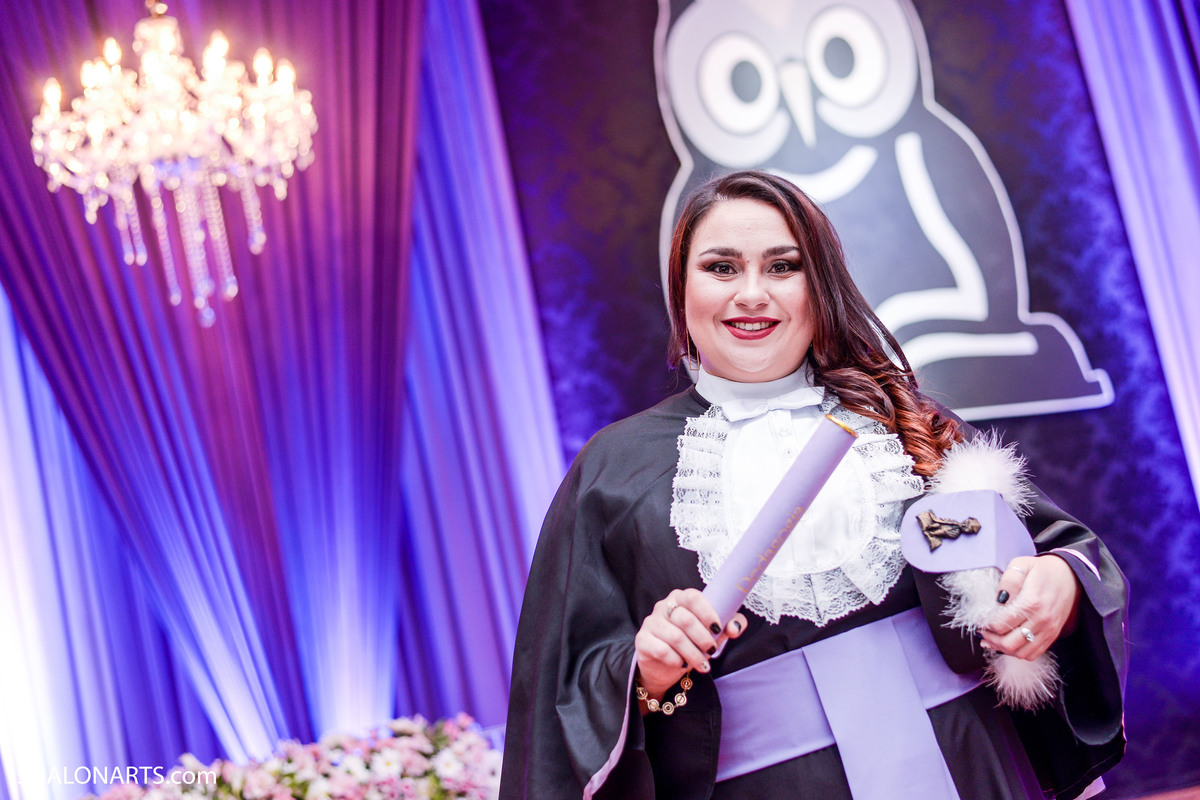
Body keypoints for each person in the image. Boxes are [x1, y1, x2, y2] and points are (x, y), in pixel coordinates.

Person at [499, 170, 1127, 800]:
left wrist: (1060, 586)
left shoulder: (902, 424)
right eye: (721, 268)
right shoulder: (613, 473)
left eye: (783, 267)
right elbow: (558, 695)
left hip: (974, 767)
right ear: (680, 288)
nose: (752, 294)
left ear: (819, 285)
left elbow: (1055, 550)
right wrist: (646, 669)